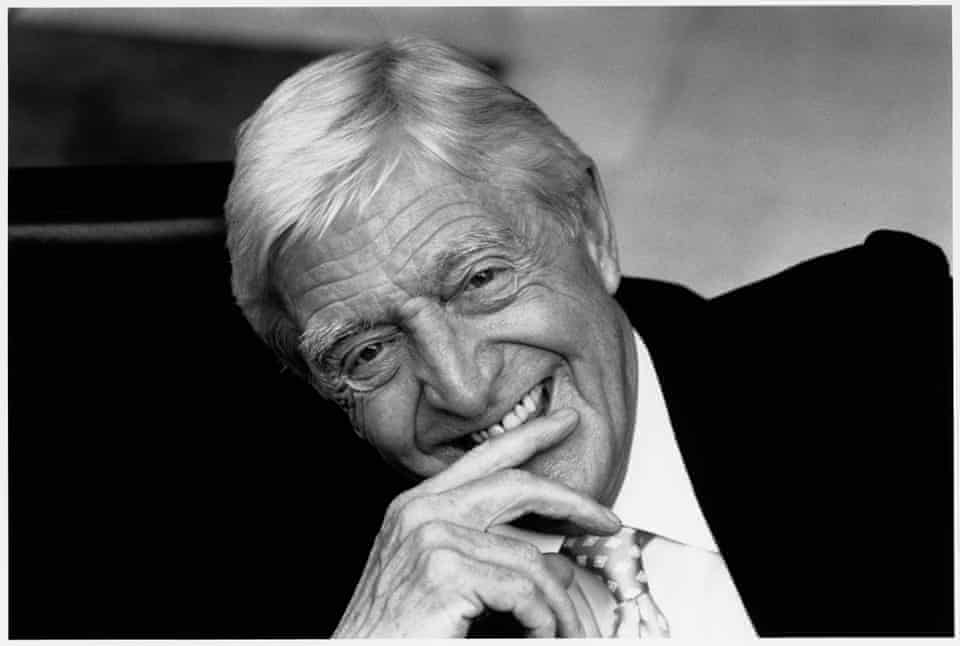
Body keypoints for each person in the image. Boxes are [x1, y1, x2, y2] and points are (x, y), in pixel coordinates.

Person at [223, 37, 953, 638]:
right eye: (369, 351)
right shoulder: (293, 598)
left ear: (591, 229)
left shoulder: (898, 351)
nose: (463, 390)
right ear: (324, 388)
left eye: (479, 280)